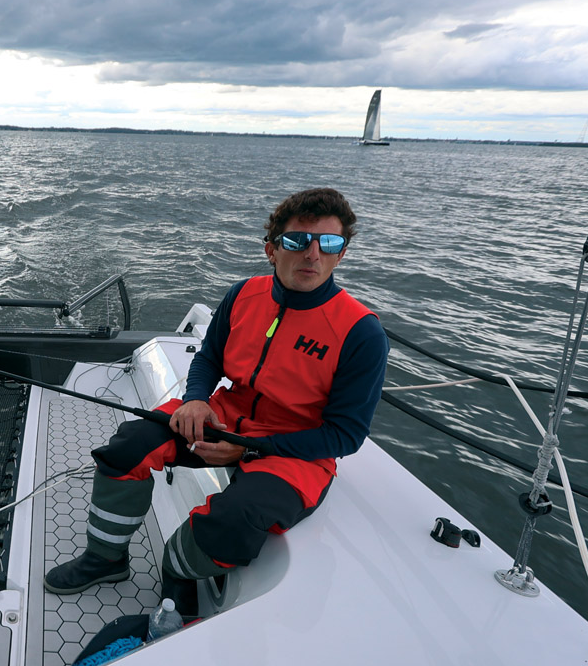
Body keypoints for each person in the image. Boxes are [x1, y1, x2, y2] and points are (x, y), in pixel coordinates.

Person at [44, 188, 389, 620]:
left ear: (341, 255)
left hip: (297, 446)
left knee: (237, 518)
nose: (313, 255)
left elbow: (345, 434)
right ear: (272, 250)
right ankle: (105, 559)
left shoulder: (361, 333)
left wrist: (250, 449)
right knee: (128, 445)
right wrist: (195, 401)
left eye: (330, 244)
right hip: (225, 414)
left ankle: (177, 568)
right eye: (298, 241)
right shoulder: (244, 295)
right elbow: (208, 358)